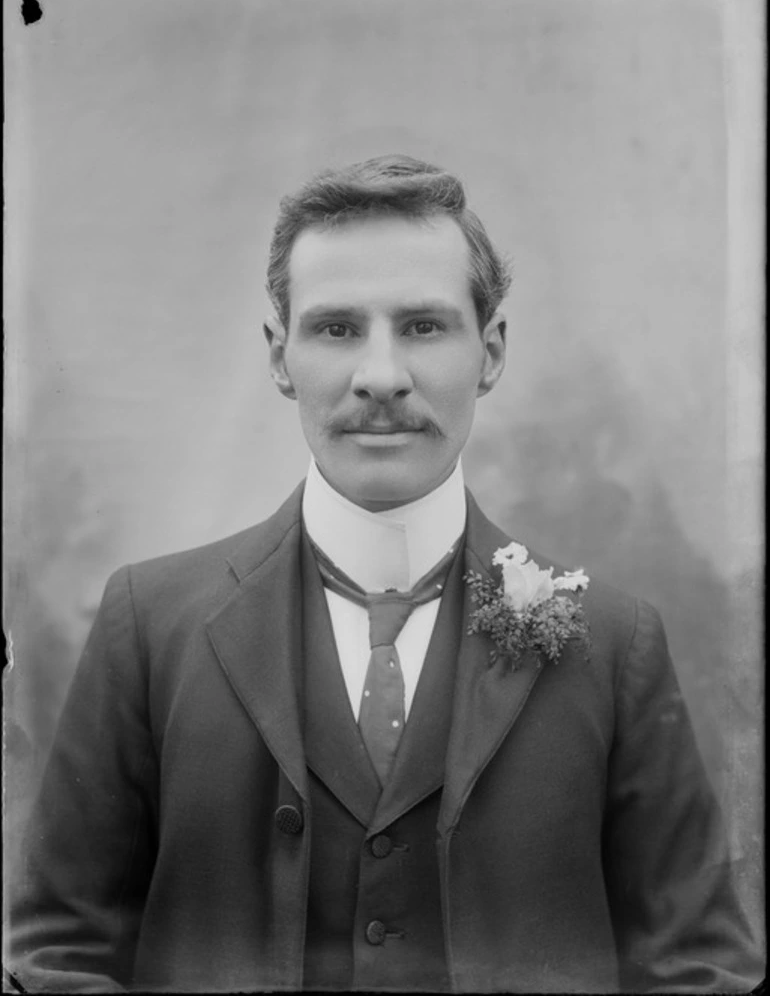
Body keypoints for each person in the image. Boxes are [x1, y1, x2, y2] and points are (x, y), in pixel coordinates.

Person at [7, 156, 762, 993]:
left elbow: (698, 968)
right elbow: (57, 957)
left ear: (492, 350)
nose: (381, 376)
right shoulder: (149, 625)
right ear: (278, 355)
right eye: (336, 329)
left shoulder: (613, 643)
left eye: (423, 326)